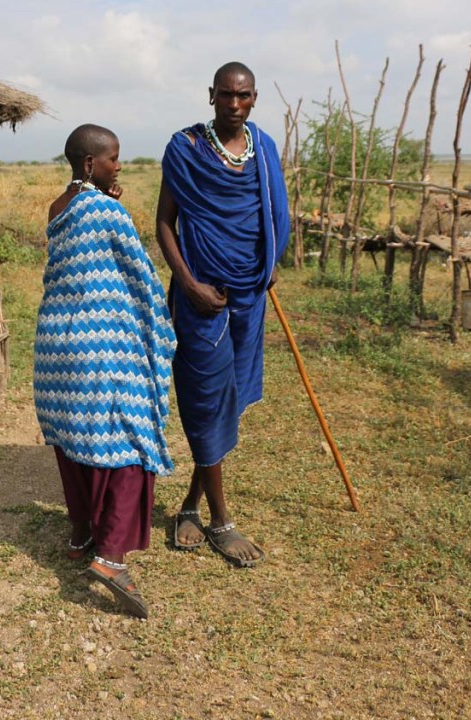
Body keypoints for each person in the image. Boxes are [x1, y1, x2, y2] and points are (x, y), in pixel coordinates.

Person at [33, 124, 176, 618]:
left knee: (75, 440)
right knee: (126, 439)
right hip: (100, 348)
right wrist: (159, 318)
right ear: (91, 163)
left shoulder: (60, 207)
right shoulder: (107, 211)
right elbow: (139, 273)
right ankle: (111, 557)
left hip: (57, 345)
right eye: (113, 158)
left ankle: (81, 536)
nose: (121, 164)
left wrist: (105, 197)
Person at [156, 62, 290, 566]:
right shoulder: (187, 150)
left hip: (248, 297)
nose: (235, 105)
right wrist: (189, 285)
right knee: (206, 398)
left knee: (227, 400)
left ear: (254, 98)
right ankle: (220, 520)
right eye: (227, 96)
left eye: (245, 96)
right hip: (200, 299)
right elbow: (164, 224)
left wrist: (269, 260)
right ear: (210, 95)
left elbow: (274, 214)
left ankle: (190, 503)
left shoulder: (264, 148)